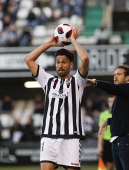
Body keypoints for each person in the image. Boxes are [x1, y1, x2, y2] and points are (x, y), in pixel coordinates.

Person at [24, 27, 89, 170]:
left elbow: (85, 58)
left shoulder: (78, 81)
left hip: (71, 138)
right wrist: (49, 43)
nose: (60, 65)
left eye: (64, 62)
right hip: (49, 137)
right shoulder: (48, 80)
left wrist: (72, 40)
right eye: (58, 62)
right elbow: (28, 59)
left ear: (71, 65)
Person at [87, 65, 129, 170]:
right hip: (118, 140)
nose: (115, 77)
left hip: (125, 139)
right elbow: (124, 116)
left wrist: (95, 82)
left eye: (119, 74)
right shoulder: (122, 95)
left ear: (127, 78)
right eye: (114, 74)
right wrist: (108, 120)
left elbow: (112, 88)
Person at [98, 96, 115, 170]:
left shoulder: (119, 113)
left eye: (112, 101)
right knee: (109, 162)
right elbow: (101, 131)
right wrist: (99, 145)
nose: (111, 103)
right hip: (107, 141)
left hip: (117, 140)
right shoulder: (103, 115)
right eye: (110, 101)